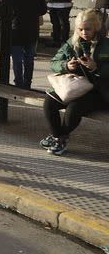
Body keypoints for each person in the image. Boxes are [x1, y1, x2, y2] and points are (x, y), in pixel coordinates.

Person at [40, 9, 109, 156]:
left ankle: (57, 139)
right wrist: (67, 65)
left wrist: (96, 67)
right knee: (49, 103)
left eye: (87, 29)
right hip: (76, 85)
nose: (84, 32)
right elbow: (54, 62)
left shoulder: (106, 44)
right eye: (80, 29)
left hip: (100, 90)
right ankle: (58, 138)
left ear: (96, 27)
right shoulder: (73, 42)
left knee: (74, 109)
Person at [11, 0, 48, 88]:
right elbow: (43, 10)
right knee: (29, 58)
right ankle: (27, 83)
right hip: (32, 30)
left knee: (17, 59)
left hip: (16, 30)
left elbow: (0, 7)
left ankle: (18, 82)